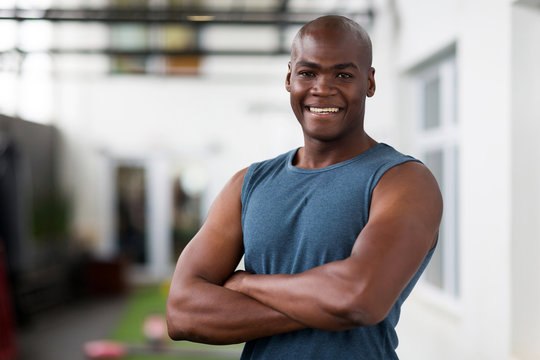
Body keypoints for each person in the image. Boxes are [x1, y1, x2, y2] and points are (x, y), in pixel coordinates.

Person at [166, 15, 442, 359]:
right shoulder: (248, 184)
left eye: (343, 74)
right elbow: (182, 313)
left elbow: (360, 298)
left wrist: (246, 283)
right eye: (308, 73)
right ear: (289, 79)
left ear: (369, 82)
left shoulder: (403, 181)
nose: (322, 88)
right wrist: (325, 305)